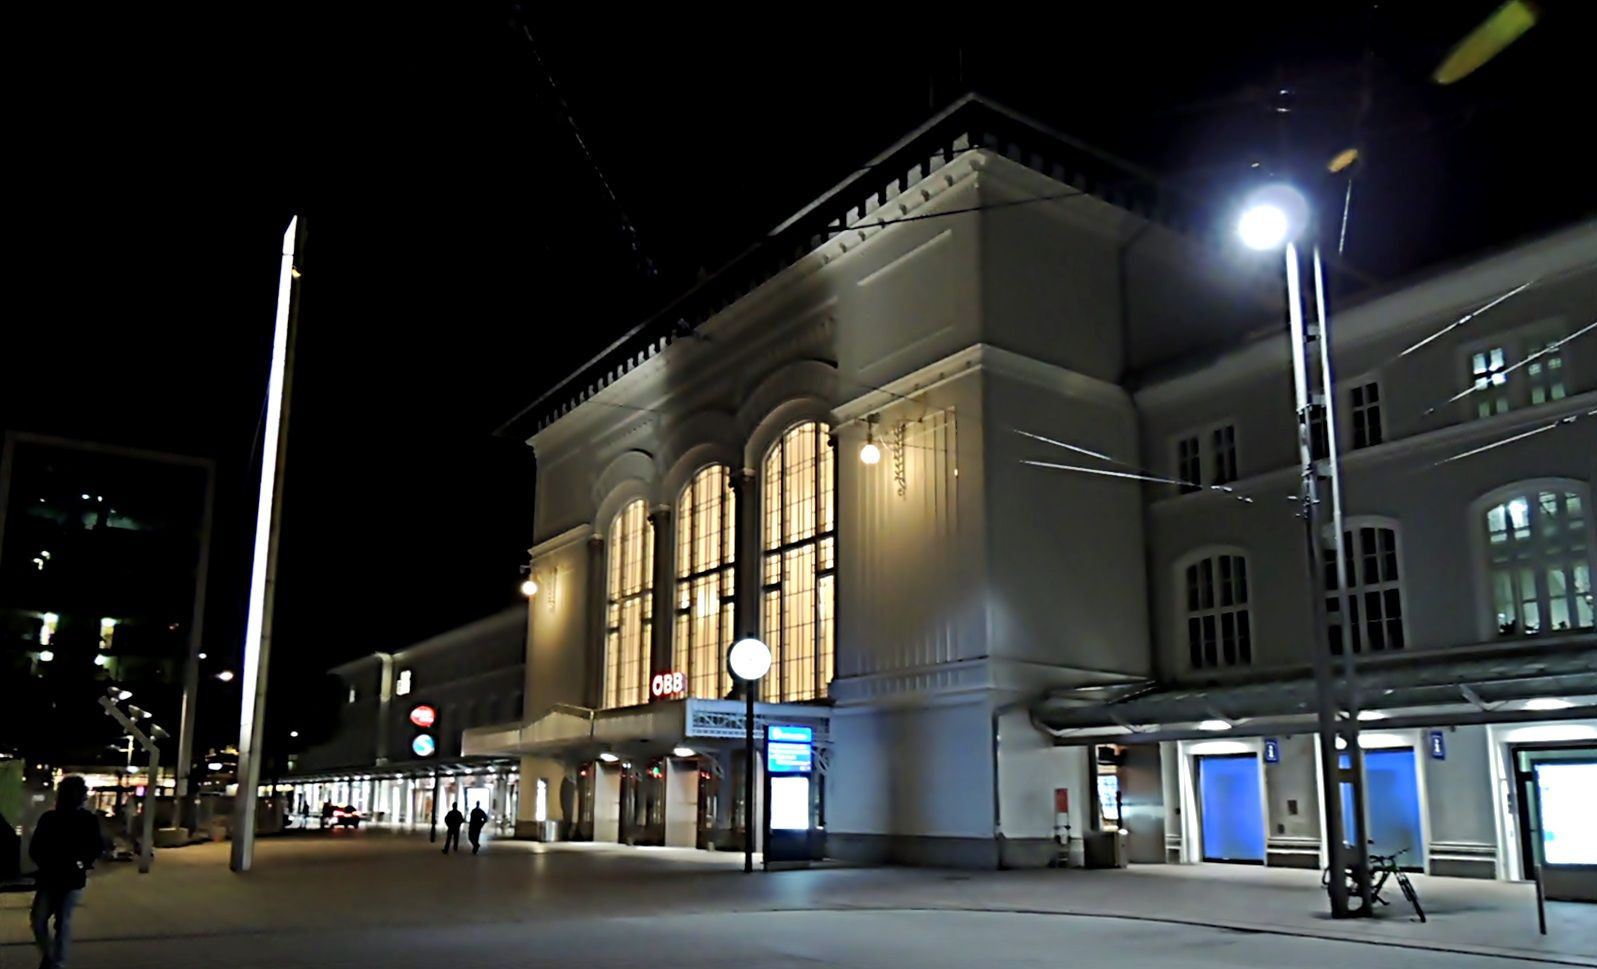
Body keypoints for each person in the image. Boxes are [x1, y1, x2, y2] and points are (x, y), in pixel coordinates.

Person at [29, 776, 105, 969]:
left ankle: (56, 963)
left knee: (62, 922)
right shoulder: (49, 818)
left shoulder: (87, 820)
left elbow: (96, 847)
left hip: (72, 878)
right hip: (50, 876)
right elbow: (35, 847)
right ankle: (51, 956)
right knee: (39, 920)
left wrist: (81, 862)